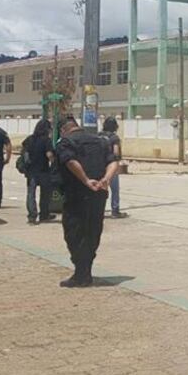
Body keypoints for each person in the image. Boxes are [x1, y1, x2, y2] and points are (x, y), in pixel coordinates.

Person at [55, 116, 118, 288]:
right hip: (99, 193)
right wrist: (106, 180)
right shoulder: (101, 141)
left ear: (63, 130)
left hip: (77, 194)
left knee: (73, 232)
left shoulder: (65, 142)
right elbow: (113, 163)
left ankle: (81, 273)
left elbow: (70, 162)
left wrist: (85, 180)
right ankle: (85, 273)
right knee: (92, 232)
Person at [23, 119, 56, 225]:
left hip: (31, 171)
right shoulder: (46, 140)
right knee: (45, 194)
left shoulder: (29, 139)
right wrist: (54, 163)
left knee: (31, 194)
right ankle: (44, 215)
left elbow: (24, 151)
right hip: (43, 171)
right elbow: (49, 155)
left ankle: (32, 216)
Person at [100, 117, 128, 219]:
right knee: (114, 189)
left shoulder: (99, 135)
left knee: (101, 188)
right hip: (111, 166)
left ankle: (99, 210)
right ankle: (115, 211)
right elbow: (116, 152)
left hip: (99, 165)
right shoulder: (114, 138)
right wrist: (117, 161)